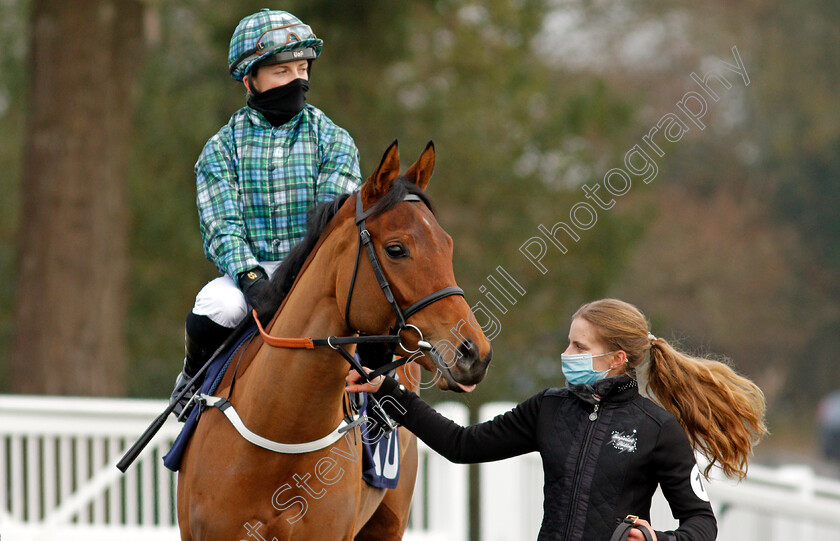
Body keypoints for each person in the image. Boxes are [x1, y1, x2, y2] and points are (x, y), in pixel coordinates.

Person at [347, 298, 768, 541]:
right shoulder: (548, 407)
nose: (566, 355)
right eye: (568, 342)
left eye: (579, 346)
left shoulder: (658, 428)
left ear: (617, 359)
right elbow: (462, 445)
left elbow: (702, 525)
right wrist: (392, 393)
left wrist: (658, 540)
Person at [170, 9, 362, 416]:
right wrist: (253, 279)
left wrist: (296, 279)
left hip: (317, 270)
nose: (297, 80)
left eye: (302, 68)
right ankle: (192, 380)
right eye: (281, 71)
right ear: (249, 78)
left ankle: (379, 410)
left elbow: (332, 222)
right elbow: (222, 227)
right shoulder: (220, 149)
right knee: (219, 307)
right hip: (248, 275)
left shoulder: (335, 140)